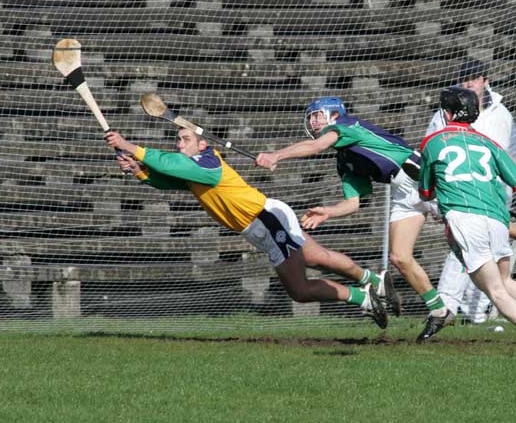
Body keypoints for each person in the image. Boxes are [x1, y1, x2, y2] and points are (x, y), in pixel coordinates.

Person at [104, 127, 389, 329]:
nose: (180, 143)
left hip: (266, 220)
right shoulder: (194, 168)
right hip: (265, 221)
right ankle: (374, 281)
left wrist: (130, 146)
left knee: (300, 291)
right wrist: (140, 171)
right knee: (319, 257)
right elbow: (172, 179)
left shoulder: (207, 161)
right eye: (178, 139)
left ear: (203, 144)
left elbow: (172, 163)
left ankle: (365, 299)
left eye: (186, 139)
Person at [255, 97, 452, 342]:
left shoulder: (345, 126)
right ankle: (439, 311)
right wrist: (328, 211)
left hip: (420, 176)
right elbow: (354, 203)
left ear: (335, 115)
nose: (313, 121)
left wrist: (276, 155)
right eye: (310, 117)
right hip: (401, 191)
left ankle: (515, 228)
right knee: (399, 257)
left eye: (318, 115)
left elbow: (316, 147)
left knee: (472, 227)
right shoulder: (345, 159)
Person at [419, 87, 516, 356]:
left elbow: (426, 192)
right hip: (497, 219)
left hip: (466, 219)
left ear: (446, 113)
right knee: (505, 281)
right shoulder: (489, 143)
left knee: (496, 292)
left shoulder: (433, 143)